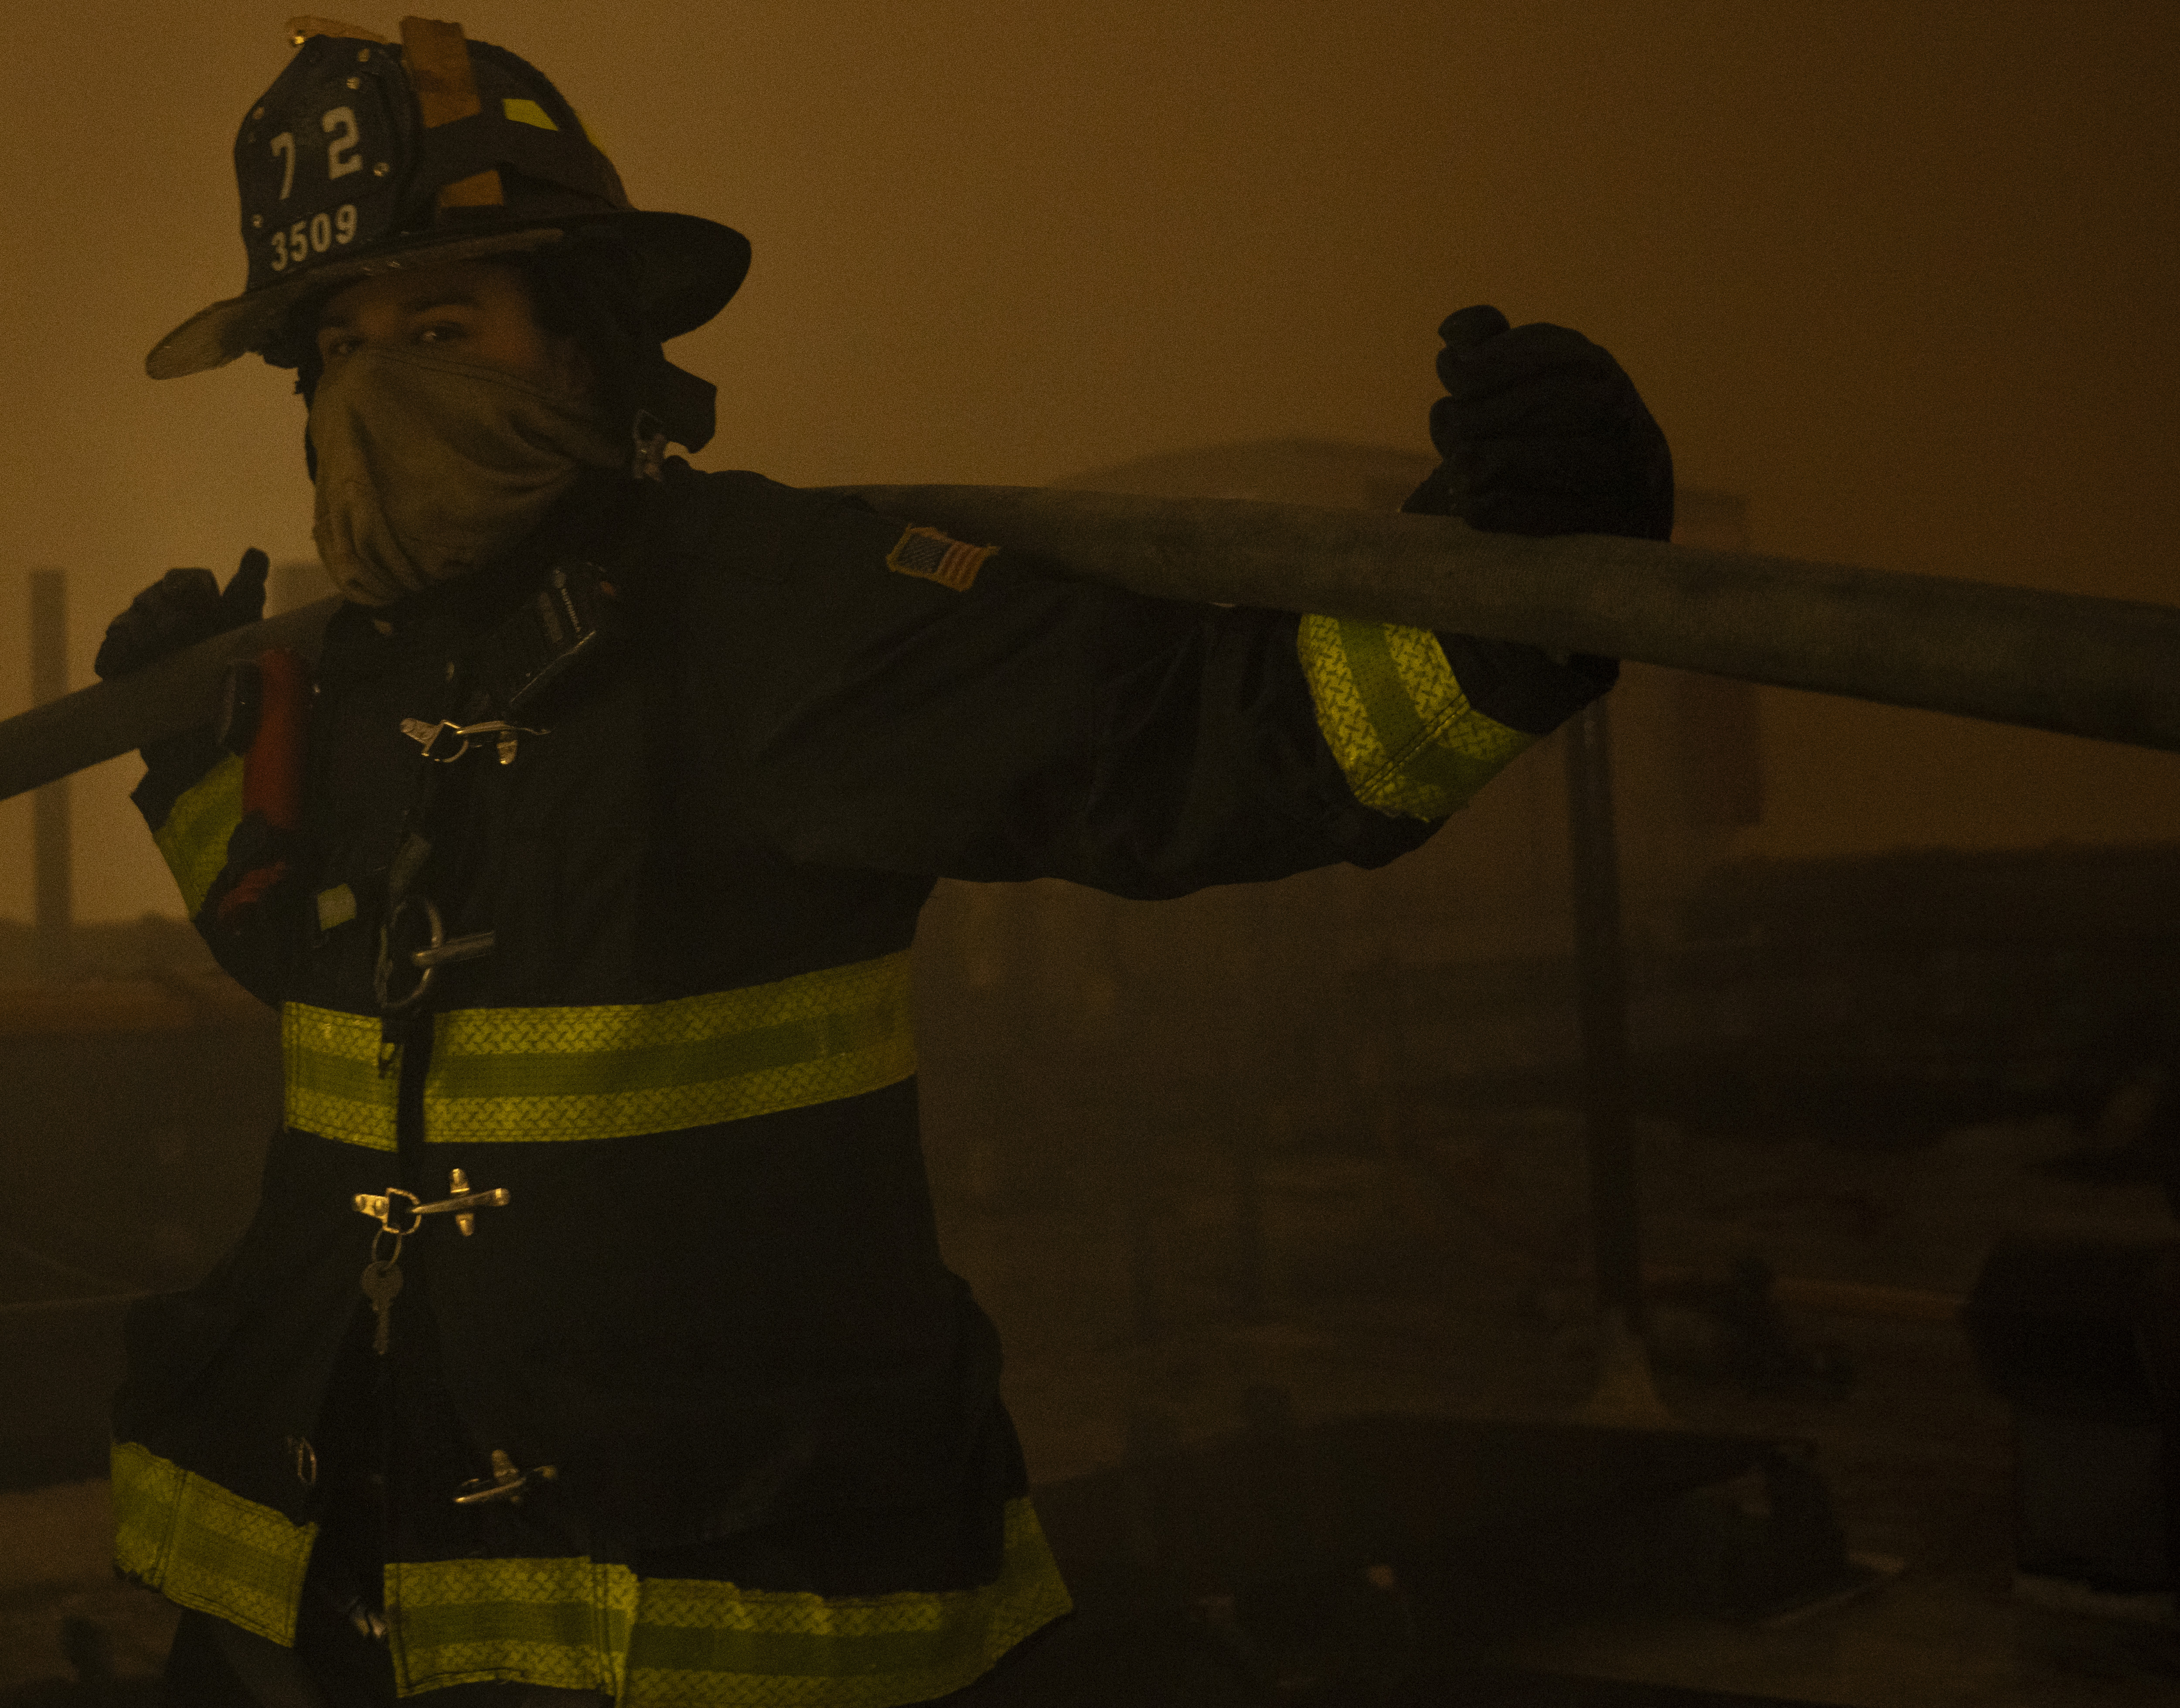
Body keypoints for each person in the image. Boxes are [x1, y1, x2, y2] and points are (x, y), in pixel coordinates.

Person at [95, 17, 1672, 1706]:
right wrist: (197, 762)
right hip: (314, 1608)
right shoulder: (351, 669)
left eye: (435, 324)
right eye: (336, 345)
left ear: (582, 338)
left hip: (694, 1628)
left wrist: (1512, 587)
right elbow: (313, 970)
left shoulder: (779, 616)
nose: (374, 386)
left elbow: (1198, 744)